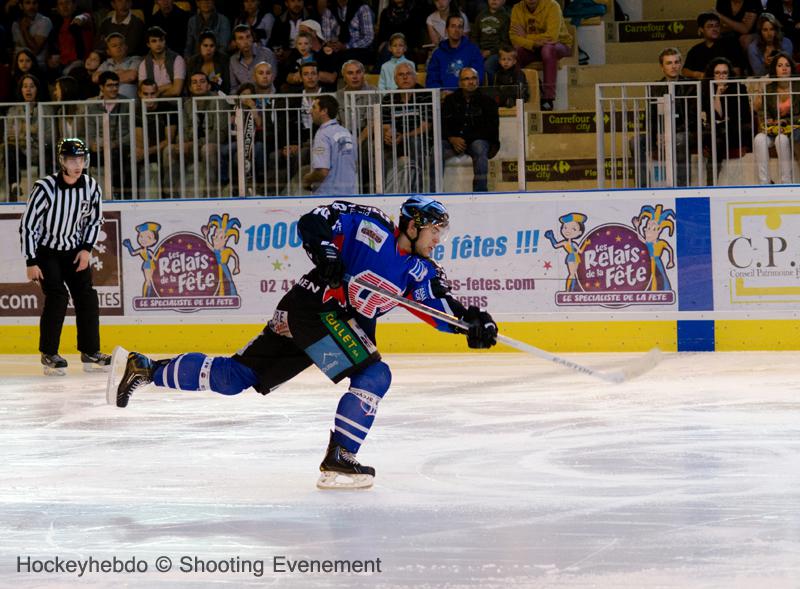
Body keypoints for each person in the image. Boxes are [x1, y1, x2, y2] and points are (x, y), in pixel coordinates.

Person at [111, 196, 498, 489]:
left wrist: (472, 324)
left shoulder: (421, 270)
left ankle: (144, 368)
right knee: (374, 374)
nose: (437, 240)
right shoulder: (371, 225)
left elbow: (442, 307)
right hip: (314, 310)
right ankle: (341, 457)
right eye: (434, 232)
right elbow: (315, 220)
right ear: (413, 226)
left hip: (322, 323)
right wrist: (325, 250)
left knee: (235, 377)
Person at [19, 138, 111, 376]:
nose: (77, 164)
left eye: (81, 159)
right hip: (47, 251)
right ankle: (49, 353)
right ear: (62, 161)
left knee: (87, 296)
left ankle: (91, 351)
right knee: (58, 297)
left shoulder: (92, 187)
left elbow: (94, 220)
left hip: (74, 250)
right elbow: (29, 225)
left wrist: (86, 249)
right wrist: (31, 261)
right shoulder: (45, 188)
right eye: (72, 159)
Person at [441, 66, 500, 192]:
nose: (471, 81)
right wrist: (452, 138)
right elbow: (443, 124)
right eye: (466, 79)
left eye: (474, 78)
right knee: (436, 149)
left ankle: (480, 193)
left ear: (478, 81)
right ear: (460, 83)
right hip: (453, 142)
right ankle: (434, 192)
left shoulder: (488, 100)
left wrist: (464, 139)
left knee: (479, 146)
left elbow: (491, 129)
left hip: (476, 141)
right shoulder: (450, 100)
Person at [509, 0, 573, 111]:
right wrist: (534, 43)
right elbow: (514, 37)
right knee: (516, 52)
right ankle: (518, 93)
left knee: (547, 49)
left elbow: (552, 37)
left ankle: (548, 98)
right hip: (533, 47)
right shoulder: (517, 8)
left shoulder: (552, 5)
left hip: (560, 45)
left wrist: (525, 36)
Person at [701, 56, 752, 184]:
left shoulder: (739, 89)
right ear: (712, 75)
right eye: (717, 73)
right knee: (716, 140)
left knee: (717, 138)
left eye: (724, 73)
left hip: (734, 130)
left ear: (729, 74)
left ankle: (710, 183)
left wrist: (723, 118)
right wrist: (717, 95)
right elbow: (716, 116)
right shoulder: (706, 90)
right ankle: (711, 182)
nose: (721, 76)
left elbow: (740, 115)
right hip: (715, 132)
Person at [753, 51, 800, 184]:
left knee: (781, 139)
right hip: (773, 128)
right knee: (759, 139)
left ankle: (786, 181)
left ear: (791, 68)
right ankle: (765, 182)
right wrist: (768, 120)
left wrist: (785, 122)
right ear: (775, 69)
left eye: (787, 65)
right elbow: (763, 111)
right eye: (780, 65)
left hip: (792, 129)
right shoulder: (769, 89)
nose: (784, 68)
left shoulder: (798, 86)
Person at [302, 95, 357, 194]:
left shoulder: (323, 134)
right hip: (349, 194)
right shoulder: (346, 133)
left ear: (324, 111)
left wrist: (307, 179)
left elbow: (322, 172)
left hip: (328, 196)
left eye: (314, 107)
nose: (310, 112)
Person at [426, 14, 484, 90]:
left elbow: (477, 77)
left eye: (459, 27)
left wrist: (460, 93)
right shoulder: (438, 53)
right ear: (446, 30)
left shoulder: (473, 51)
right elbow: (432, 79)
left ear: (463, 30)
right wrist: (441, 93)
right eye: (453, 26)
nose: (456, 30)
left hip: (466, 95)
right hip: (443, 97)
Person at [682, 12, 745, 80]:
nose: (714, 29)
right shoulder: (696, 50)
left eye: (717, 26)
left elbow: (737, 73)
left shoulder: (731, 46)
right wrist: (697, 74)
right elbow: (685, 71)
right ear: (701, 29)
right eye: (710, 26)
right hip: (703, 88)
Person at [229, 23, 278, 93]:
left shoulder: (267, 54)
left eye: (248, 37)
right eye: (240, 38)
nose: (245, 42)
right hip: (245, 100)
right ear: (235, 42)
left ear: (252, 38)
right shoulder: (233, 60)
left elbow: (273, 81)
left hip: (267, 98)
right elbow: (233, 88)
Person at [138, 25, 186, 97]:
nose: (158, 44)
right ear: (148, 44)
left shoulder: (177, 59)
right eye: (154, 41)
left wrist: (155, 93)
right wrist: (168, 86)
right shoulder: (144, 63)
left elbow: (176, 90)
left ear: (165, 41)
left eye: (161, 40)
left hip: (174, 102)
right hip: (152, 104)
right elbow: (141, 92)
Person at [94, 32, 142, 99]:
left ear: (126, 47)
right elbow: (95, 78)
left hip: (129, 105)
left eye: (121, 44)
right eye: (114, 45)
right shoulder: (106, 63)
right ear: (108, 51)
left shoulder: (135, 60)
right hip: (106, 106)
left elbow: (131, 76)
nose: (118, 47)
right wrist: (123, 73)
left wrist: (107, 76)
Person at [473, 0, 510, 83]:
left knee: (488, 66)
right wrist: (478, 50)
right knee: (472, 65)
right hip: (480, 51)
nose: (494, 0)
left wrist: (490, 52)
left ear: (504, 1)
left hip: (497, 52)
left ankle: (491, 91)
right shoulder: (480, 16)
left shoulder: (506, 17)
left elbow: (505, 42)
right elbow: (474, 37)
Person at [748, 11, 793, 76]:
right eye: (765, 30)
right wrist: (766, 65)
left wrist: (777, 61)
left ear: (776, 30)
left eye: (772, 29)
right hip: (763, 81)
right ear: (760, 32)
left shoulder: (786, 43)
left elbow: (789, 68)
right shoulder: (753, 48)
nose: (769, 34)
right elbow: (758, 73)